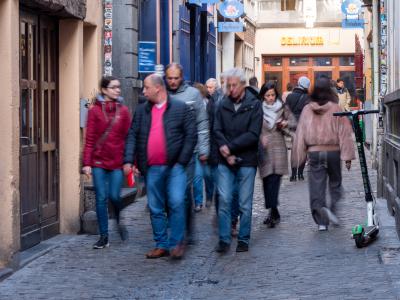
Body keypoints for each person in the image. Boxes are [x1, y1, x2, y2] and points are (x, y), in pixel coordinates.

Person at [123, 74, 197, 259]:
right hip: (152, 168)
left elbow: (191, 135)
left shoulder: (180, 108)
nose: (143, 91)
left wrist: (182, 160)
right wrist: (128, 160)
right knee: (155, 207)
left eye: (146, 87)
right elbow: (133, 135)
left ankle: (176, 243)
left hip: (175, 167)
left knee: (177, 202)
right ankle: (161, 244)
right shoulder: (142, 111)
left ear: (158, 88)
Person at [292, 77, 355, 231]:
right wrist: (347, 157)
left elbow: (301, 133)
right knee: (335, 184)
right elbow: (345, 133)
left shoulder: (307, 109)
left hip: (314, 152)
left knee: (316, 186)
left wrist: (298, 158)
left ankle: (321, 220)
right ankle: (332, 208)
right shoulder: (335, 108)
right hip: (333, 151)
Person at [214, 68, 263, 253]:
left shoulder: (254, 104)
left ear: (243, 85)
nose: (231, 88)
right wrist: (225, 151)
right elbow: (216, 129)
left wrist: (231, 147)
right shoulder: (222, 103)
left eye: (234, 85)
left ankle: (243, 239)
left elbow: (253, 134)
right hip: (224, 160)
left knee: (244, 203)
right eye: (229, 85)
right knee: (225, 200)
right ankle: (224, 239)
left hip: (247, 160)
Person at [82, 76, 132, 249]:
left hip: (117, 161)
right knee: (101, 198)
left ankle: (118, 219)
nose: (117, 90)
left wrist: (129, 161)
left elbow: (129, 137)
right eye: (113, 87)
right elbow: (89, 139)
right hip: (98, 162)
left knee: (114, 196)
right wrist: (86, 162)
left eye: (118, 87)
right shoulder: (94, 111)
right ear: (104, 90)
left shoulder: (124, 111)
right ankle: (104, 236)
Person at [165, 63, 210, 243]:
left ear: (182, 77)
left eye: (176, 78)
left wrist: (204, 149)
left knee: (184, 192)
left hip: (188, 153)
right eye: (170, 78)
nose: (173, 81)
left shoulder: (193, 95)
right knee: (169, 194)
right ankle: (177, 227)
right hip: (166, 154)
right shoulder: (162, 94)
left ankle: (187, 229)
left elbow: (202, 123)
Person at [258, 81, 296, 228]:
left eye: (273, 95)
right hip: (264, 150)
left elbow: (293, 122)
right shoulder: (258, 109)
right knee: (266, 181)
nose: (271, 98)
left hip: (278, 148)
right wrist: (259, 138)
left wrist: (285, 123)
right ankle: (273, 210)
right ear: (263, 96)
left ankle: (273, 212)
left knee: (275, 181)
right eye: (267, 95)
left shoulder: (282, 107)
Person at [286, 76, 310, 181]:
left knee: (294, 150)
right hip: (304, 126)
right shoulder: (308, 98)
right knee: (303, 149)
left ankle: (293, 174)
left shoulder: (290, 96)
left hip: (293, 126)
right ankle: (300, 174)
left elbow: (285, 112)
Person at [192, 83, 210, 212]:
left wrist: (204, 149)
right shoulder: (187, 106)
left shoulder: (206, 106)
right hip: (188, 148)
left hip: (200, 147)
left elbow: (205, 129)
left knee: (200, 176)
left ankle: (199, 201)